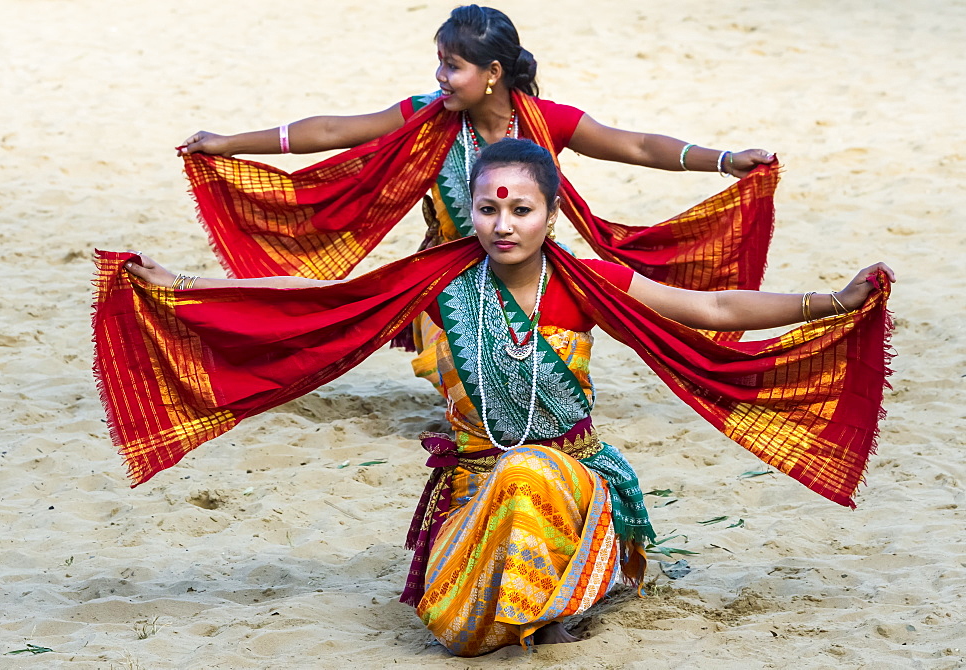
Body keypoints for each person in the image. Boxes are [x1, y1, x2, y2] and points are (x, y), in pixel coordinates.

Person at [102, 139, 893, 657]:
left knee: (530, 479)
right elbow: (316, 302)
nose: (502, 223)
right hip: (474, 486)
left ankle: (576, 573)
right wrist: (182, 287)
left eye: (521, 209)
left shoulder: (584, 283)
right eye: (487, 208)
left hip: (569, 479)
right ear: (469, 211)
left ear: (552, 215)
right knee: (457, 620)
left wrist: (830, 300)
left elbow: (715, 312)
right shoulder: (439, 279)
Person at [174, 4, 780, 385]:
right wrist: (229, 143)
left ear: (493, 73)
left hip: (532, 275)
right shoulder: (424, 116)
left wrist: (724, 161)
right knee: (333, 304)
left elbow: (641, 146)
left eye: (454, 66)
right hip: (445, 276)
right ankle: (187, 296)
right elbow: (333, 131)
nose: (441, 77)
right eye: (440, 64)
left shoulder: (549, 120)